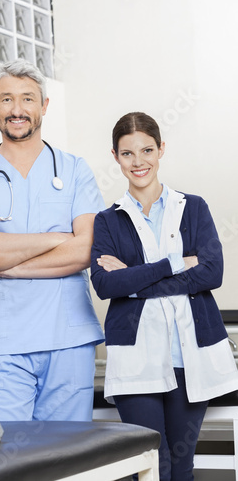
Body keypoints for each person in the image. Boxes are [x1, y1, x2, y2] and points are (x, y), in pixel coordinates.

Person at [0, 59, 105, 422]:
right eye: (6, 100)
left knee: (68, 465)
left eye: (28, 99)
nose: (17, 110)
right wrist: (56, 237)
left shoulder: (74, 170)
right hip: (1, 344)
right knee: (8, 463)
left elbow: (87, 247)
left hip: (67, 341)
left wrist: (9, 263)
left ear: (44, 106)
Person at [90, 112, 238, 480]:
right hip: (136, 358)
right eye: (127, 154)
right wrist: (173, 263)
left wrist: (134, 280)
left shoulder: (194, 207)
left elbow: (211, 273)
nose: (138, 162)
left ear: (161, 150)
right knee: (154, 465)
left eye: (147, 150)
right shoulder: (107, 221)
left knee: (182, 463)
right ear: (115, 157)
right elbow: (106, 286)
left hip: (190, 357)